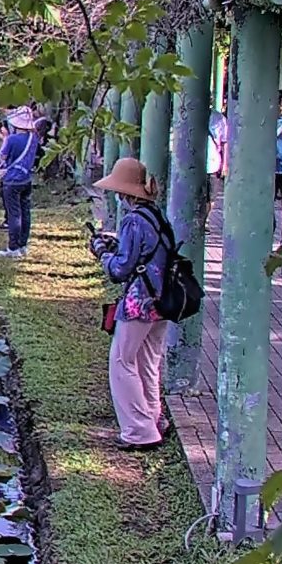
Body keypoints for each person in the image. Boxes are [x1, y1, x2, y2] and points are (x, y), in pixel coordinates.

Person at [92, 160, 178, 451]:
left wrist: (101, 253)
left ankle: (138, 431)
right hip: (163, 299)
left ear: (124, 192)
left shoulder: (132, 220)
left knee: (122, 362)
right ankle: (154, 419)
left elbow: (121, 269)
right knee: (147, 361)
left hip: (140, 302)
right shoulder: (156, 215)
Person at [0, 106, 47, 256]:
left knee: (14, 214)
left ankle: (13, 248)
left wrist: (4, 138)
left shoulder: (12, 140)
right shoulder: (34, 138)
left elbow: (2, 157)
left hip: (12, 181)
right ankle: (23, 245)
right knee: (25, 213)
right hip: (26, 180)